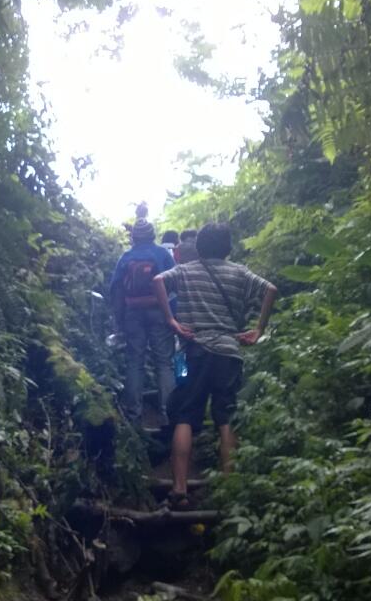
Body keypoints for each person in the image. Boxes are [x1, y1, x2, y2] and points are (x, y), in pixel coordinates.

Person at [153, 221, 277, 506]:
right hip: (228, 353)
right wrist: (259, 329)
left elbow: (158, 281)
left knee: (184, 414)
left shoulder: (185, 271)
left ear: (198, 247)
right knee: (226, 415)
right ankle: (229, 489)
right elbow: (271, 289)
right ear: (228, 248)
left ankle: (180, 489)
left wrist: (172, 321)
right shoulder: (239, 272)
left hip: (189, 352)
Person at [110, 213, 176, 426]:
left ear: (133, 238)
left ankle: (134, 415)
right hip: (159, 312)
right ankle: (169, 414)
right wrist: (173, 317)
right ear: (153, 236)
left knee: (134, 362)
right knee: (164, 363)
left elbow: (116, 290)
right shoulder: (163, 256)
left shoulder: (126, 258)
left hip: (133, 314)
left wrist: (118, 321)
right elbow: (174, 286)